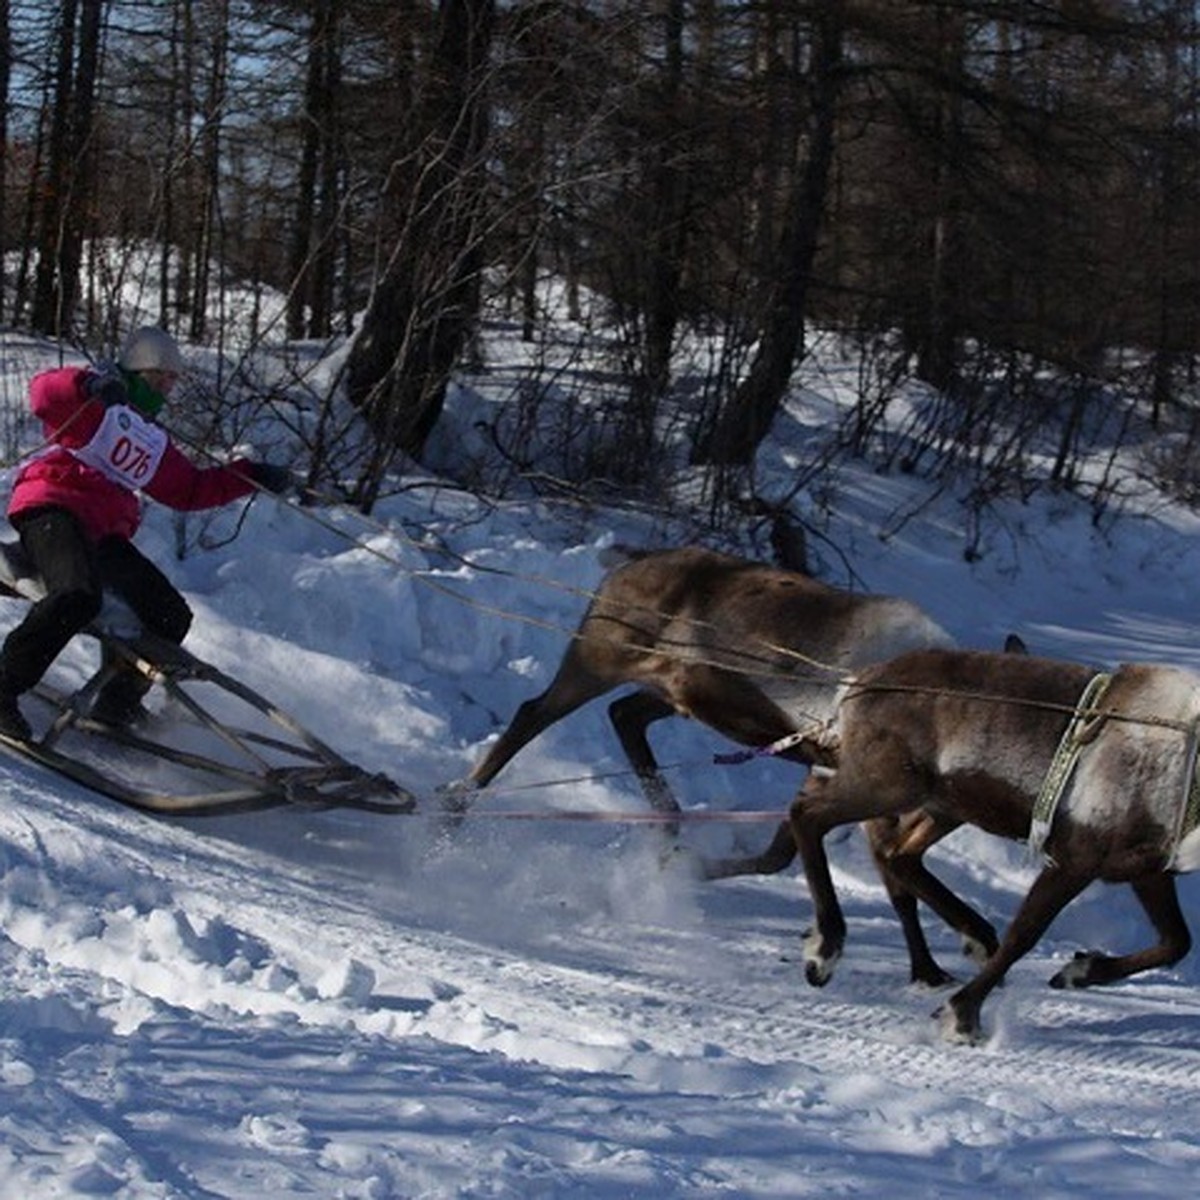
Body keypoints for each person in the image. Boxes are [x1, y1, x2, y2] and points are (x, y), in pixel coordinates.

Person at [0, 326, 291, 741]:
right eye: (159, 378)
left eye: (172, 380)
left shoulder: (149, 439)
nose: (166, 389)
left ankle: (116, 704)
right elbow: (44, 393)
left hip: (101, 536)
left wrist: (251, 477)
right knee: (77, 595)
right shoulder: (95, 405)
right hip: (54, 508)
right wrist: (91, 384)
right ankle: (5, 686)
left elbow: (188, 490)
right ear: (135, 373)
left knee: (170, 615)